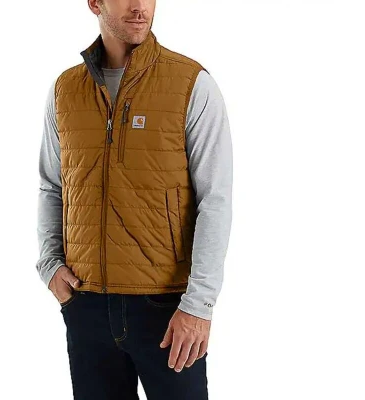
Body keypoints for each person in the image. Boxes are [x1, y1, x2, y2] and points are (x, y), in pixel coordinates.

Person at [36, 0, 233, 398]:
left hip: (168, 310)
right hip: (86, 303)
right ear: (95, 3)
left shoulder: (191, 83)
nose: (140, 6)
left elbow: (215, 199)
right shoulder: (65, 90)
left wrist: (199, 305)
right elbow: (52, 185)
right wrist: (49, 264)